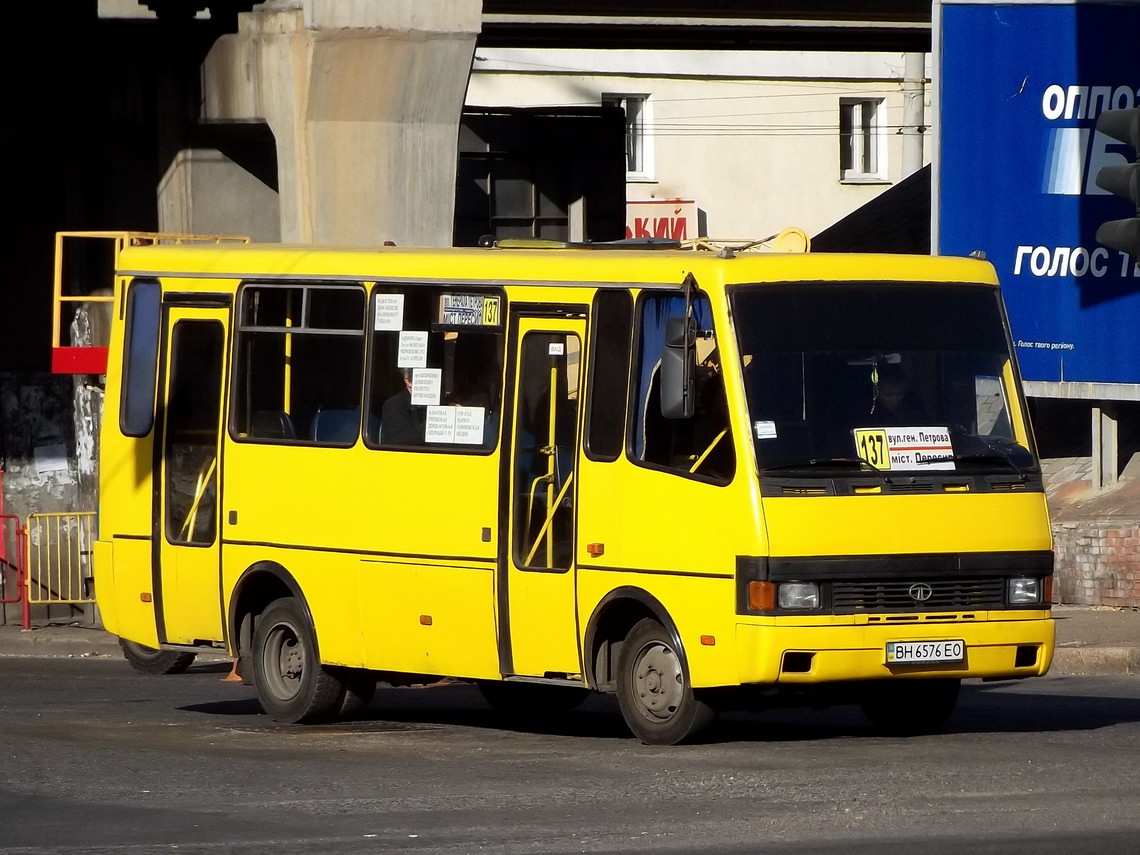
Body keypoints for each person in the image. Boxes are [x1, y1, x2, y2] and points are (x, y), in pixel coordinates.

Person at [380, 367, 426, 445]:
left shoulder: (435, 403)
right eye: (425, 378)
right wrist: (434, 425)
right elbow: (401, 440)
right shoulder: (393, 404)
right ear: (409, 381)